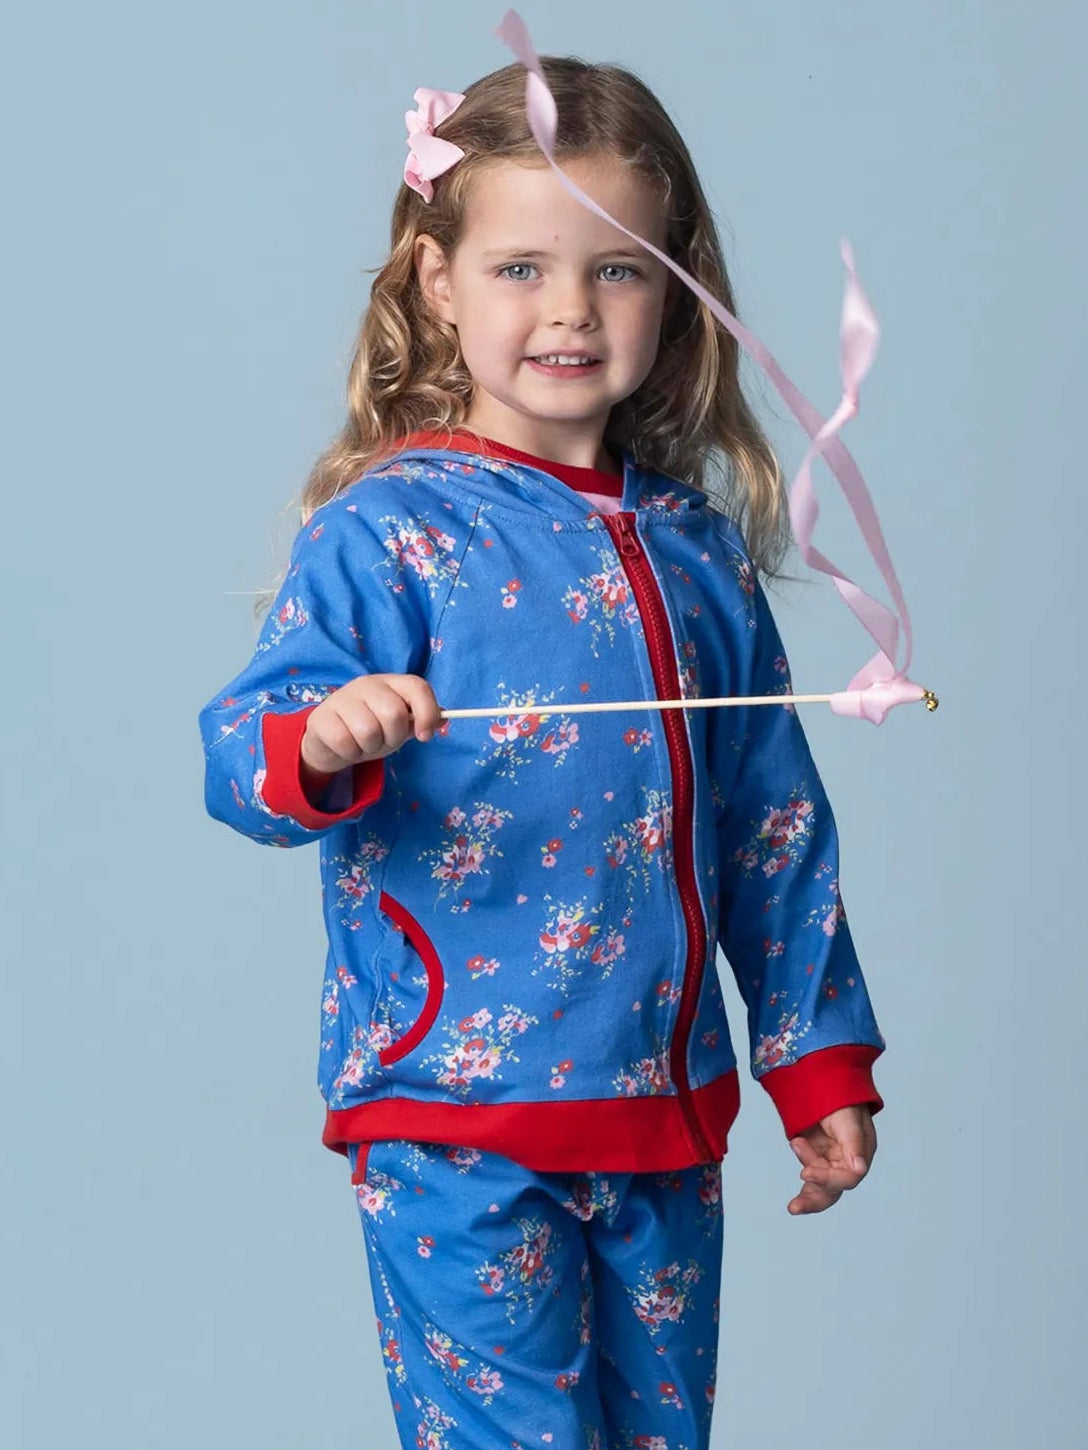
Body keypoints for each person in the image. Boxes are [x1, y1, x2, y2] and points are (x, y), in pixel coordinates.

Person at [199, 52, 884, 1450]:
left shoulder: (696, 552)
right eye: (521, 268)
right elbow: (239, 747)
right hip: (457, 1120)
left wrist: (815, 1060)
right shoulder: (387, 533)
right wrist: (321, 737)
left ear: (675, 290)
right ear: (437, 280)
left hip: (666, 1124)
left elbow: (772, 827)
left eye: (618, 269)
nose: (570, 308)